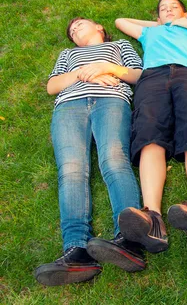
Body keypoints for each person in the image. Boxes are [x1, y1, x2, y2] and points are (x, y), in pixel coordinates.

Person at [35, 17, 144, 286]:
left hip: (111, 101)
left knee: (115, 161)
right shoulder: (68, 54)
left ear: (99, 28)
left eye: (80, 25)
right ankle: (76, 252)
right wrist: (83, 72)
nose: (75, 31)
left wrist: (106, 68)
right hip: (69, 107)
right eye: (71, 31)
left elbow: (139, 75)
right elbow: (52, 86)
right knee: (71, 172)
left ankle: (129, 240)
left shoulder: (119, 45)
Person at [114, 0, 187, 253]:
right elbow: (120, 21)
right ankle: (152, 215)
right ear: (157, 16)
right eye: (163, 9)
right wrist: (160, 23)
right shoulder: (151, 31)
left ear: (186, 13)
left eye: (175, 8)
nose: (169, 11)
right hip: (153, 78)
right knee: (149, 135)